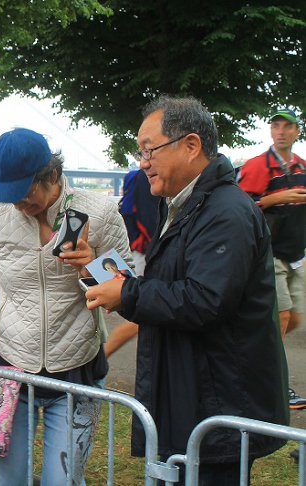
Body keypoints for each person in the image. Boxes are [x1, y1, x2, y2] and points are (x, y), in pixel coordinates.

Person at [86, 95, 289, 485]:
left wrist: (126, 294)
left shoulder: (225, 211)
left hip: (219, 405)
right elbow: (170, 283)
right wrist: (94, 268)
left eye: (150, 150)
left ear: (192, 145)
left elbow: (204, 299)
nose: (143, 162)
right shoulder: (181, 204)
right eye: (140, 151)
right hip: (191, 394)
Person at [0, 128, 132, 485]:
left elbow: (126, 290)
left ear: (51, 175)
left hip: (75, 370)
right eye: (8, 195)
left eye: (24, 194)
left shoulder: (98, 212)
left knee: (63, 480)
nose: (18, 205)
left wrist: (91, 266)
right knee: (5, 480)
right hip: (9, 367)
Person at [237, 108, 306, 409]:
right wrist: (272, 199)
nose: (280, 131)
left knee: (295, 319)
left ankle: (249, 361)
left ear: (296, 132)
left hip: (296, 254)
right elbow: (236, 208)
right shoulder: (256, 166)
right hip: (270, 254)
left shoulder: (302, 166)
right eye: (275, 125)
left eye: (287, 126)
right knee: (282, 318)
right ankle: (274, 386)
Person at [105, 168, 160, 356]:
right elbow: (150, 217)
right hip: (145, 251)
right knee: (144, 314)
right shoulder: (149, 180)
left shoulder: (139, 176)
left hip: (135, 248)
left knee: (137, 307)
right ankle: (101, 358)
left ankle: (100, 358)